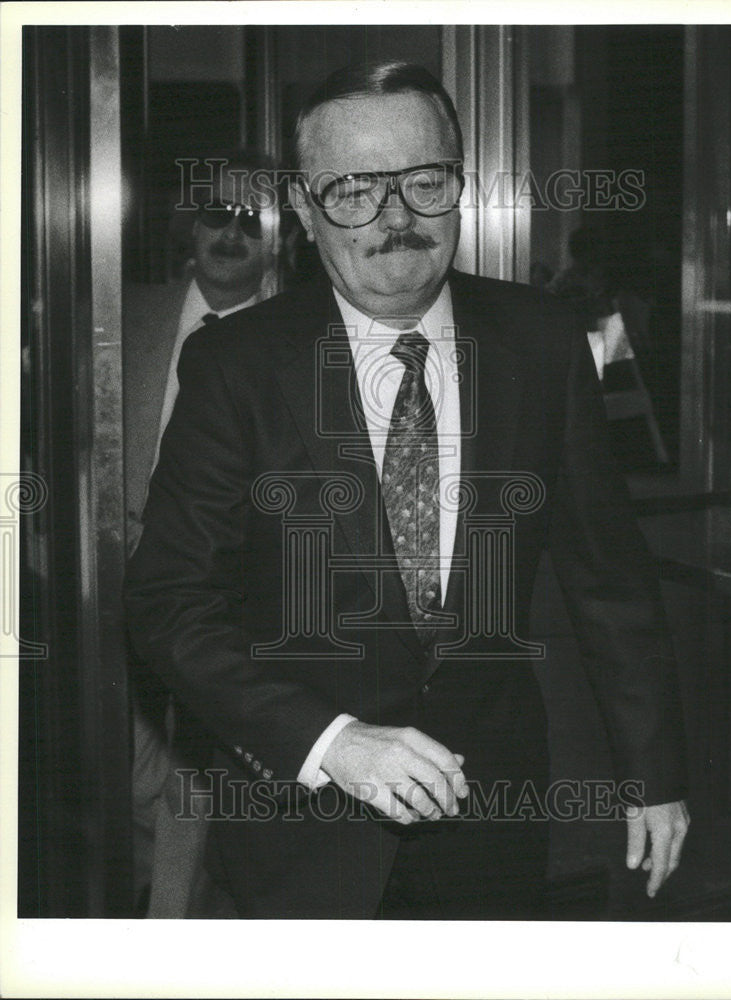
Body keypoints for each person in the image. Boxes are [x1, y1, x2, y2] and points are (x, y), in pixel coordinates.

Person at [125, 61, 689, 920]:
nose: (396, 217)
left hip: (490, 817)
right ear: (308, 216)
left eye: (424, 180)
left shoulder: (540, 342)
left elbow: (608, 578)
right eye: (353, 189)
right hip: (299, 827)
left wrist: (655, 776)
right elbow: (168, 601)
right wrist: (330, 742)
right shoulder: (237, 364)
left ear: (459, 189)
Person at [123, 149, 281, 916]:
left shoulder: (296, 336)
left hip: (225, 592)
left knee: (193, 761)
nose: (230, 233)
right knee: (118, 758)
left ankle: (168, 928)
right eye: (216, 213)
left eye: (252, 221)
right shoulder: (124, 315)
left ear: (279, 240)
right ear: (190, 226)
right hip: (111, 571)